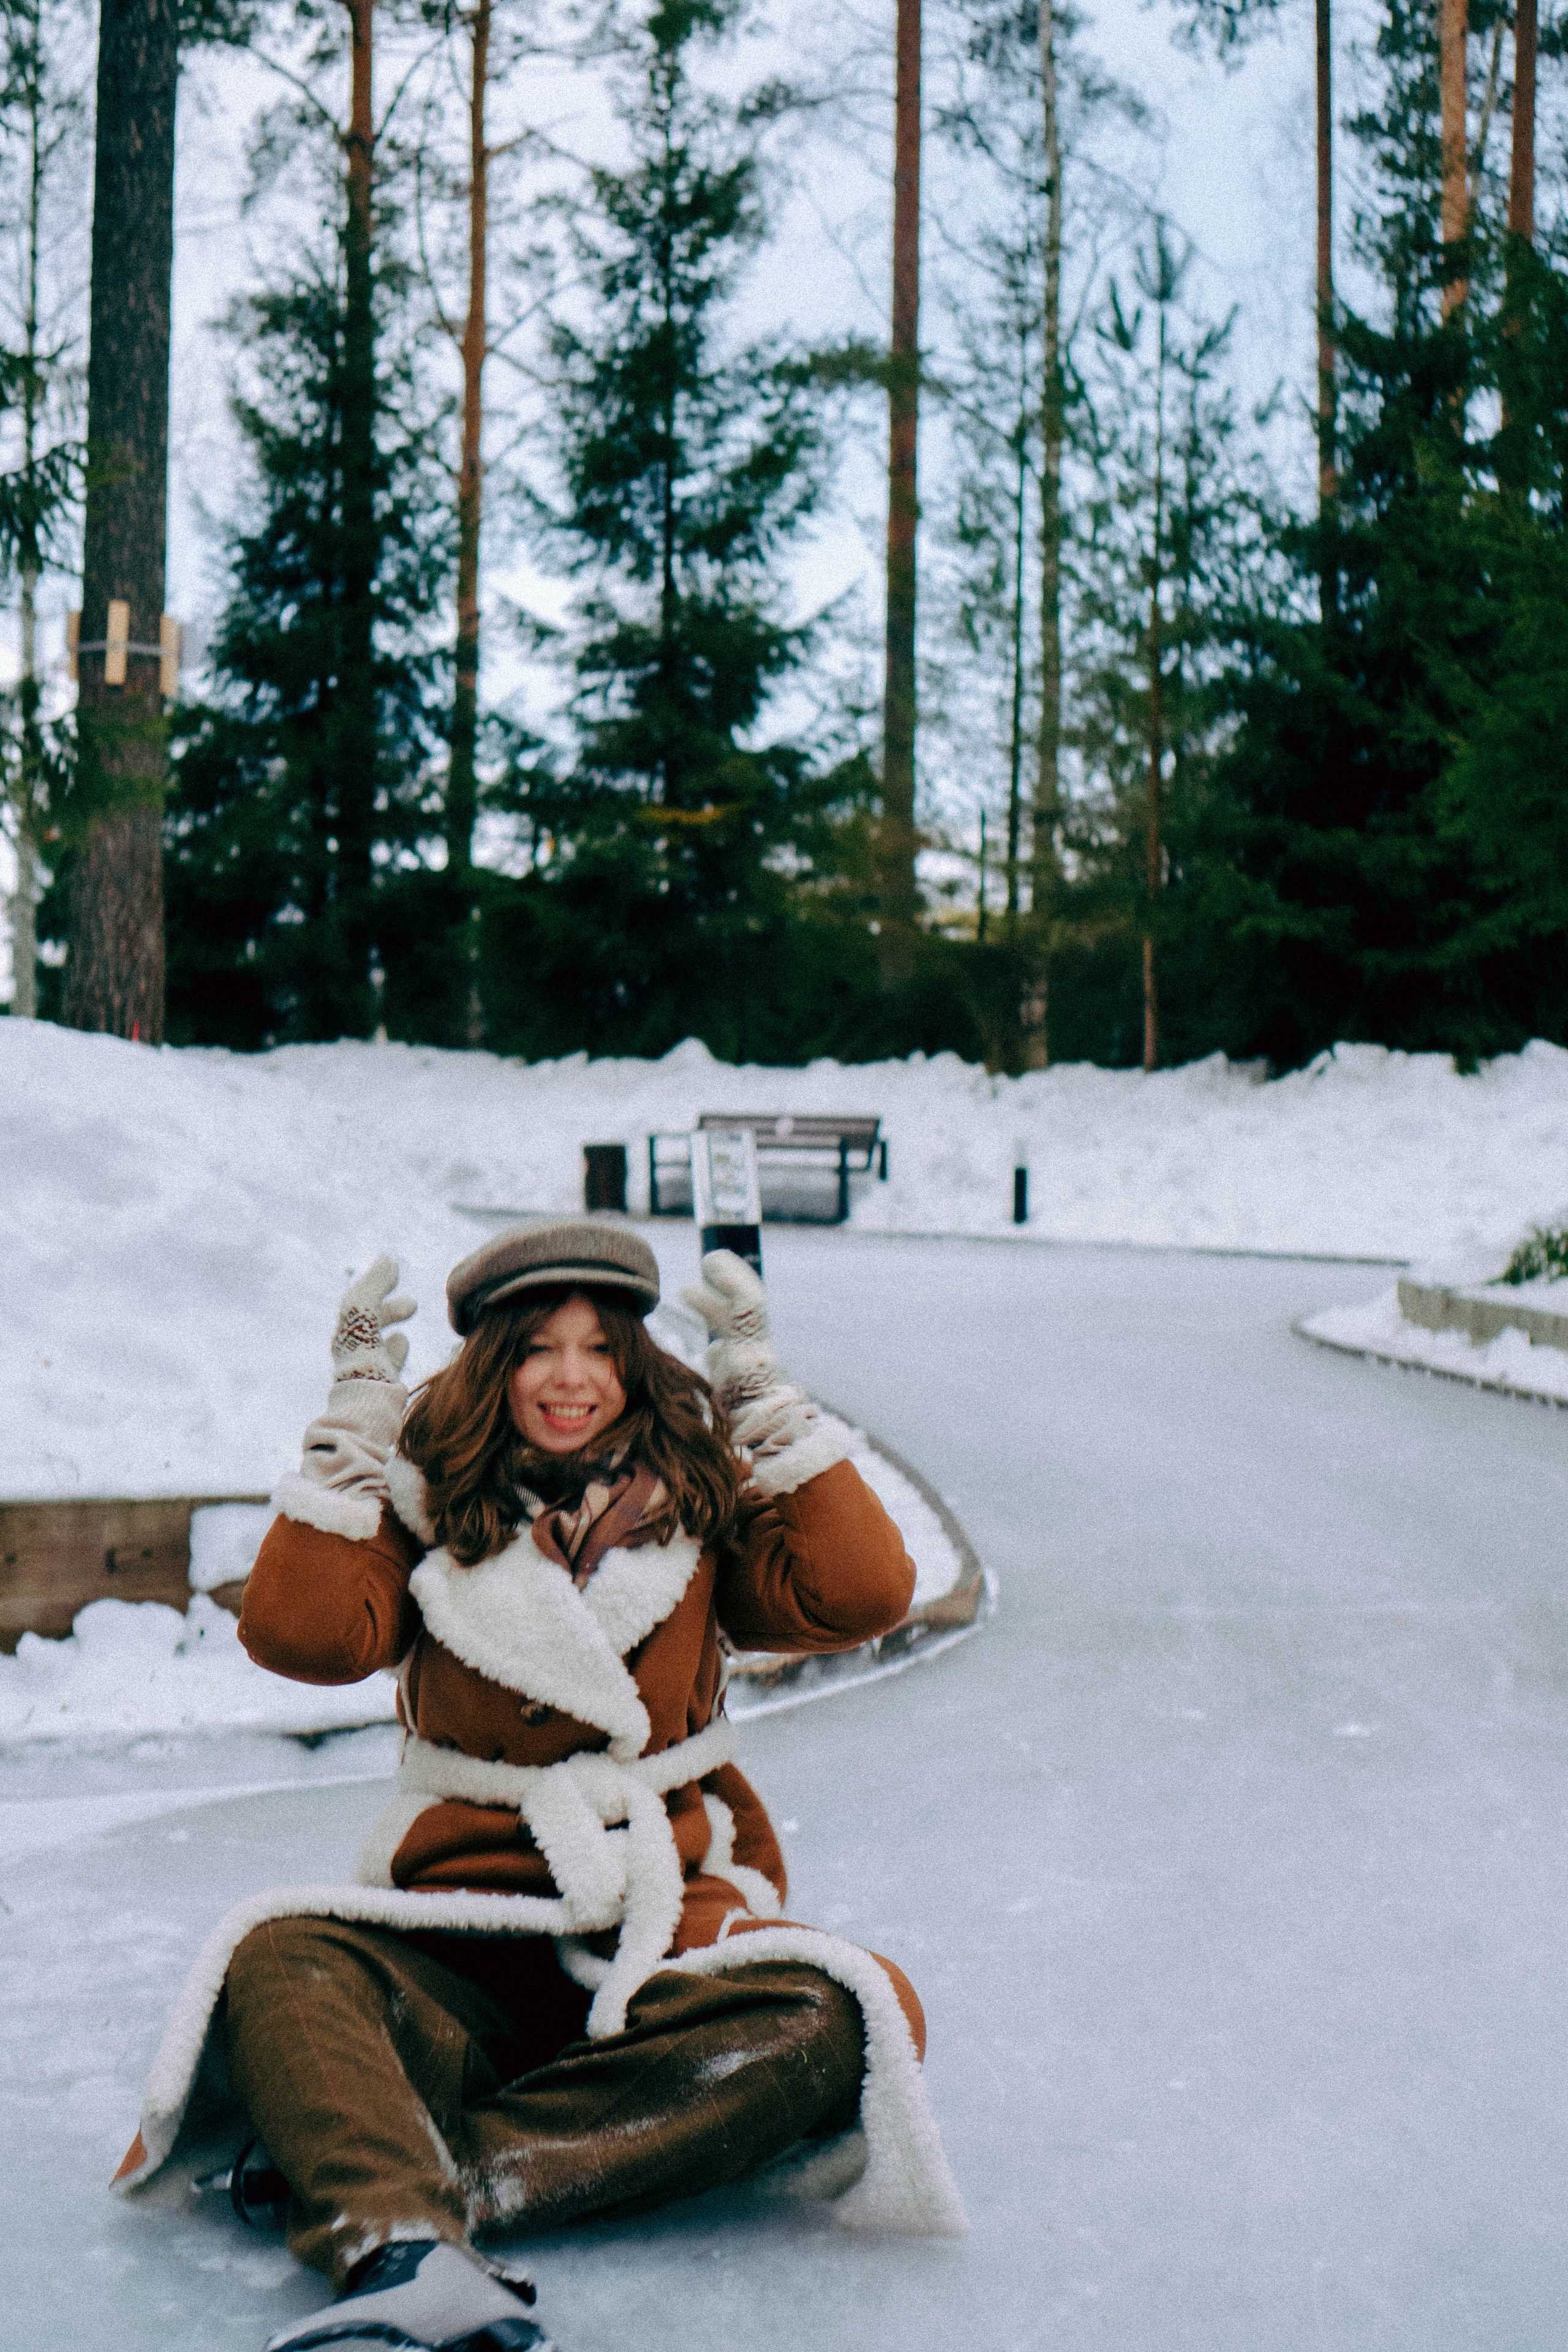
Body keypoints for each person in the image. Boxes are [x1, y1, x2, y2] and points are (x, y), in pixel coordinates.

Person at [112, 1219, 966, 2352]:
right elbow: (301, 1635)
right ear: (490, 1363)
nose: (572, 1380)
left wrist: (766, 1403)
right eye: (538, 1350)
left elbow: (862, 1590)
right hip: (465, 1929)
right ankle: (406, 2238)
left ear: (638, 1363)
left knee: (853, 2009)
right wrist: (353, 1434)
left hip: (660, 1928)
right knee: (279, 1958)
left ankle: (404, 2187)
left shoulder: (700, 1504)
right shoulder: (425, 1506)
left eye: (602, 1348)